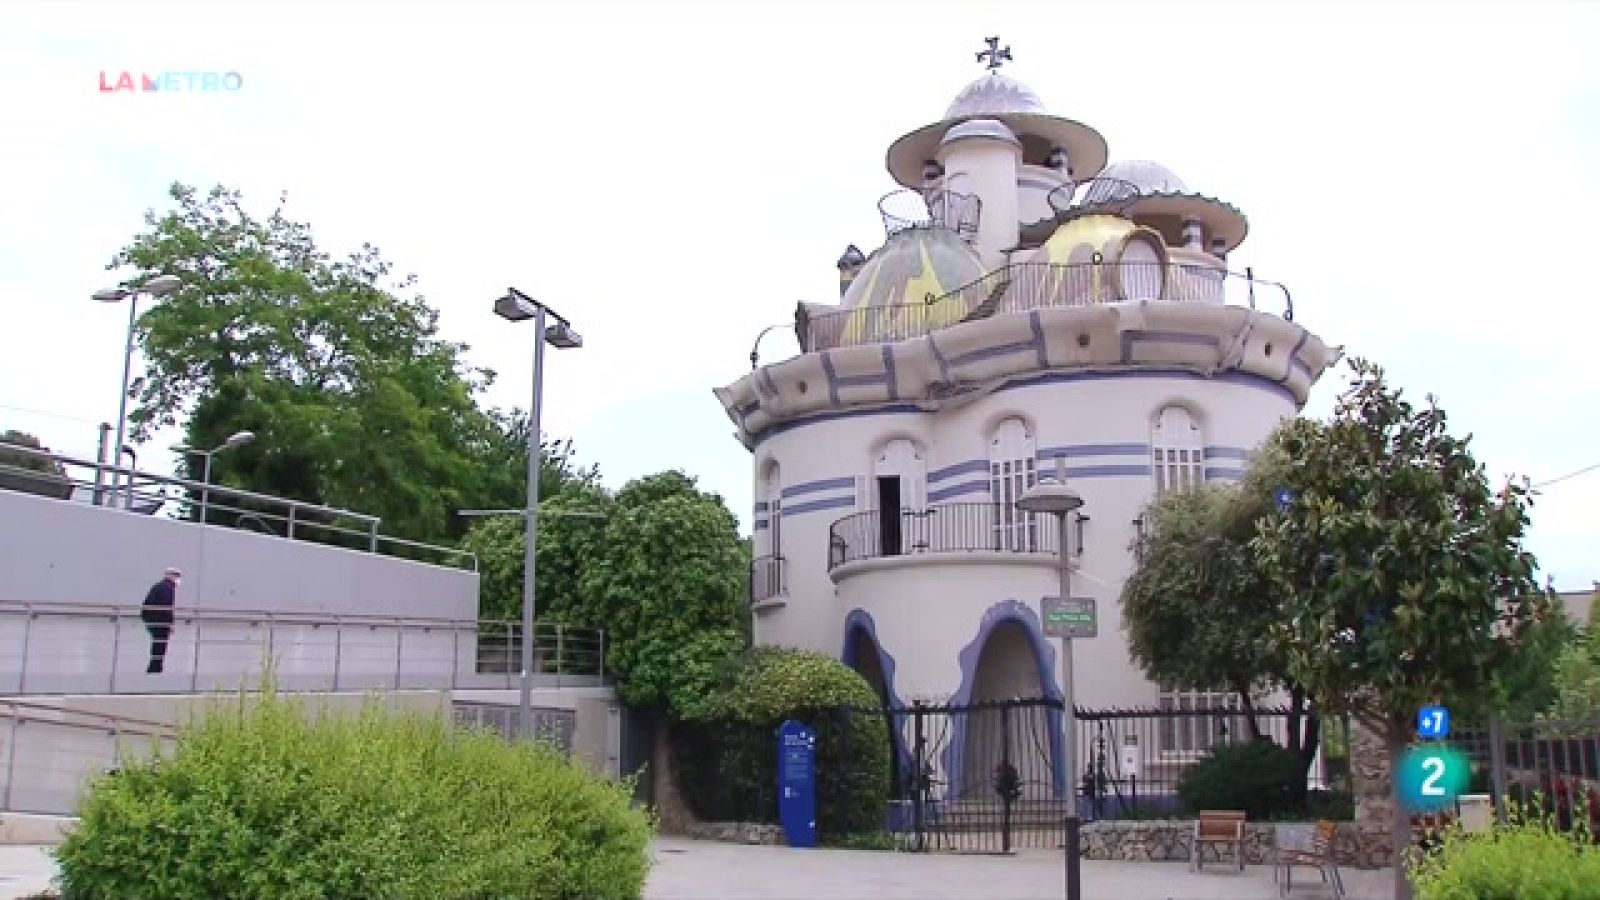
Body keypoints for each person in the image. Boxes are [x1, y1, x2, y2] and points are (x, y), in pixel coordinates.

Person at [141, 568, 180, 674]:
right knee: (160, 646)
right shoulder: (168, 588)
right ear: (172, 576)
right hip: (161, 622)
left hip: (153, 621)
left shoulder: (157, 586)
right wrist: (170, 623)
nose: (178, 579)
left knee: (156, 645)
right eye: (177, 576)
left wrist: (147, 620)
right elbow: (167, 607)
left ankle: (154, 668)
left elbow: (145, 605)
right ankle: (155, 669)